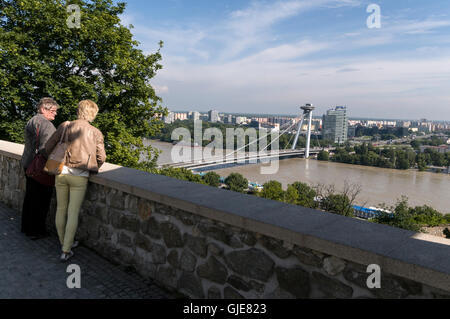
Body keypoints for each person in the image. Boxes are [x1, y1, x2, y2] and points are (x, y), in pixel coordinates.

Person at [46, 100, 106, 262]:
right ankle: (66, 250)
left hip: (61, 172)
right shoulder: (95, 132)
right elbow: (102, 157)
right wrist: (94, 166)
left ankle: (63, 243)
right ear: (92, 113)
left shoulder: (65, 125)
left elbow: (48, 146)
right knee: (73, 212)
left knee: (61, 209)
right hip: (80, 176)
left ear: (79, 110)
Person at [21, 97, 59, 239]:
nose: (55, 114)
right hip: (39, 167)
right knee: (41, 200)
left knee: (30, 197)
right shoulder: (47, 125)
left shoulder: (32, 120)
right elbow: (46, 148)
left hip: (28, 163)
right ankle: (36, 230)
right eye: (53, 111)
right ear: (43, 109)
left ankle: (26, 227)